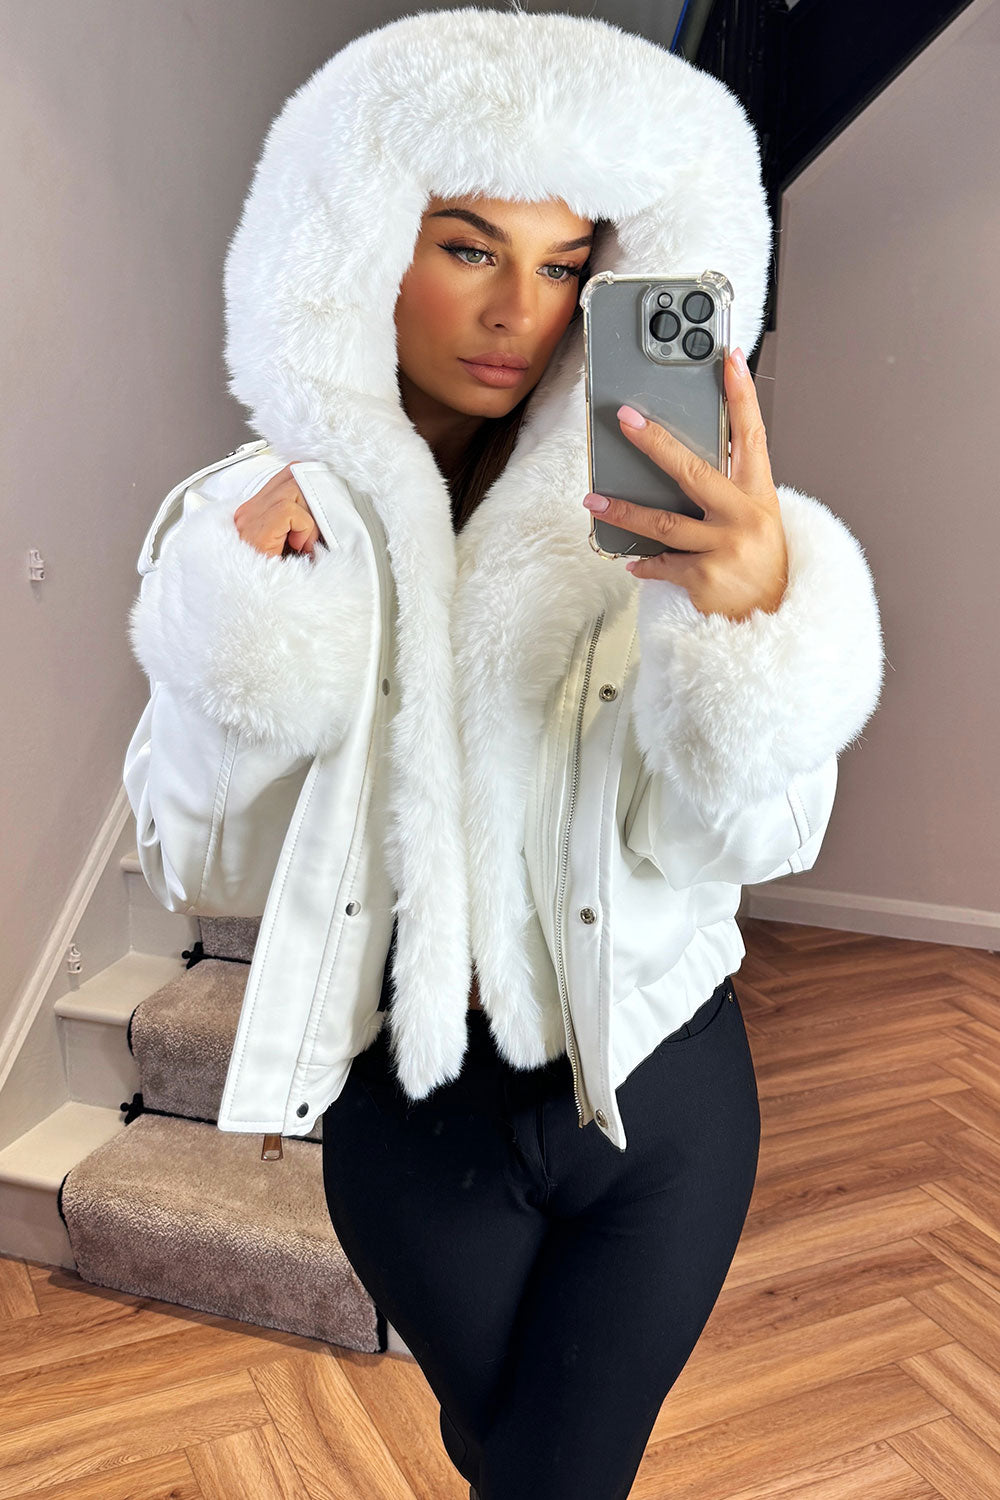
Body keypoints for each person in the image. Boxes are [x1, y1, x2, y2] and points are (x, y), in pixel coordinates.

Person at [123, 10, 885, 1498]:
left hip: (662, 1093)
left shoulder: (677, 534)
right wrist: (249, 638)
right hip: (420, 1118)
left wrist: (744, 633)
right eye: (468, 247)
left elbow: (762, 843)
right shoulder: (258, 527)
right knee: (510, 1458)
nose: (516, 313)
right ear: (360, 247)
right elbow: (188, 863)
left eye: (563, 266)